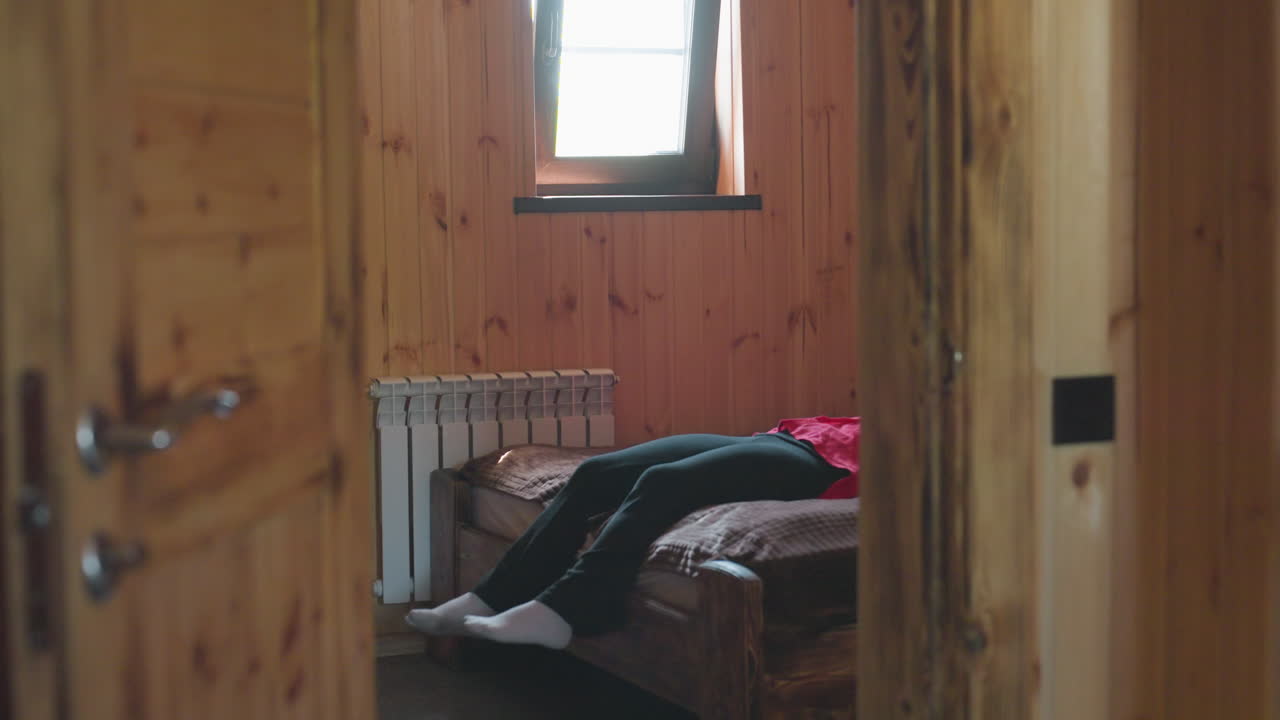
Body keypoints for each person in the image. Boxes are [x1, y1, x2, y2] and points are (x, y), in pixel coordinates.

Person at [405, 416, 860, 649]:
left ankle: (565, 612)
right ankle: (491, 596)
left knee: (663, 483)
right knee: (597, 473)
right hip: (798, 435)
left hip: (829, 465)